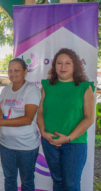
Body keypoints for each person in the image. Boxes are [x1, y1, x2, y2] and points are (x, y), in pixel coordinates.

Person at [37, 48, 95, 191]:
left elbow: (89, 118)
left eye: (67, 63)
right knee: (57, 181)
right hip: (50, 143)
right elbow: (40, 113)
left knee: (71, 185)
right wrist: (43, 133)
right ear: (54, 66)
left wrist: (68, 138)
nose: (63, 67)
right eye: (59, 63)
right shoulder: (46, 86)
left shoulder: (84, 87)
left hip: (74, 144)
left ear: (75, 65)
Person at [0, 58, 41, 191]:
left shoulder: (31, 90)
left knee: (26, 181)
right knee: (9, 179)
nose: (12, 73)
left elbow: (28, 119)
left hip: (27, 146)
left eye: (17, 70)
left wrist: (1, 122)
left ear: (25, 72)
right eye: (10, 70)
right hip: (6, 145)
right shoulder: (5, 90)